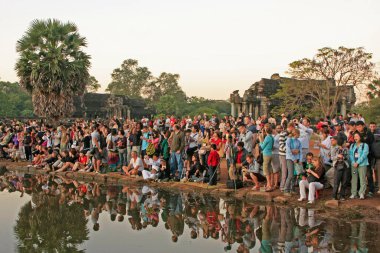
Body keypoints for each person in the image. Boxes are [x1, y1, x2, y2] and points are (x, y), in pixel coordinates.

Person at [349, 133, 369, 200]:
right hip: (353, 165)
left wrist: (357, 162)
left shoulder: (365, 145)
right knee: (354, 179)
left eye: (357, 136)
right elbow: (350, 154)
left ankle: (361, 193)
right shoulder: (352, 145)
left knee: (362, 179)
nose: (355, 137)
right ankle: (353, 193)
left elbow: (364, 155)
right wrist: (353, 162)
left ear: (360, 137)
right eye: (354, 136)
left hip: (362, 164)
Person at [284, 129, 302, 196]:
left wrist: (300, 160)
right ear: (295, 134)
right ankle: (286, 190)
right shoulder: (289, 140)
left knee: (295, 175)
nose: (299, 135)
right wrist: (293, 157)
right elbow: (288, 151)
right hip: (290, 159)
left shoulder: (298, 141)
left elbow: (300, 151)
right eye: (298, 134)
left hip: (297, 159)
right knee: (290, 175)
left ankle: (292, 189)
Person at [330, 136, 349, 200]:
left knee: (344, 181)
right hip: (337, 165)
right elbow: (332, 158)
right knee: (336, 182)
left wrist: (343, 157)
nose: (345, 143)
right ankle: (334, 196)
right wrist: (337, 156)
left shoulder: (345, 149)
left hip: (345, 165)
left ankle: (342, 196)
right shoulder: (334, 148)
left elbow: (348, 157)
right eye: (344, 142)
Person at [259, 126, 274, 191]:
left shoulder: (267, 137)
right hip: (271, 153)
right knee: (270, 169)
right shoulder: (272, 137)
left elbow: (262, 146)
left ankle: (269, 185)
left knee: (265, 170)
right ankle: (269, 184)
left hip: (266, 154)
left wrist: (260, 140)